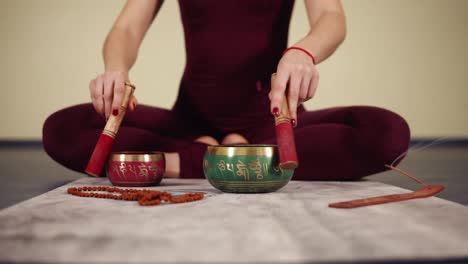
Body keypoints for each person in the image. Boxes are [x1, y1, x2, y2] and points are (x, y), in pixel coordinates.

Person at [43, 0, 410, 180]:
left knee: (387, 133)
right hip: (188, 124)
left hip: (270, 122)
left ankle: (193, 162)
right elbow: (125, 30)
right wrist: (116, 70)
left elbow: (332, 18)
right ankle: (238, 162)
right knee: (62, 130)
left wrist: (302, 52)